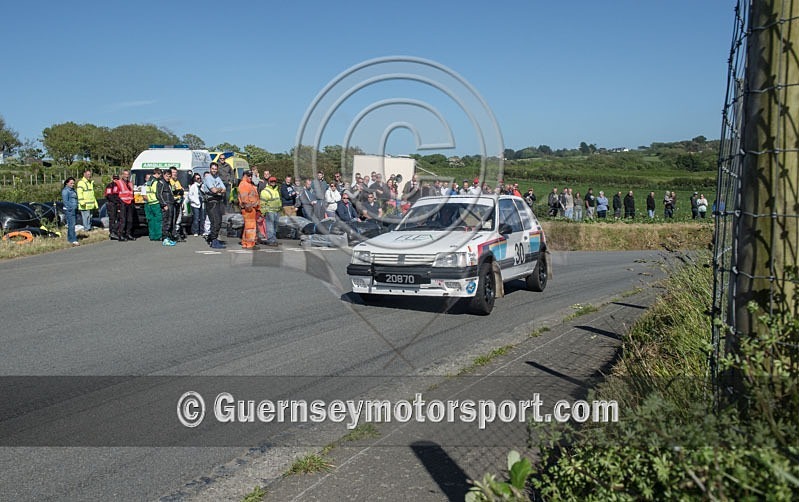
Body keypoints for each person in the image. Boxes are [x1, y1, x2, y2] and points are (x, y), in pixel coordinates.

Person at [203, 162, 227, 249]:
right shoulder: (208, 177)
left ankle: (213, 237)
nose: (214, 170)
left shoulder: (217, 177)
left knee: (219, 221)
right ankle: (213, 240)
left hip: (218, 201)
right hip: (211, 201)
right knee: (215, 221)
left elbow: (224, 189)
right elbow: (213, 190)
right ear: (210, 169)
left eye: (215, 169)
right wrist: (218, 189)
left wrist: (219, 189)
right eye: (213, 168)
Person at [237, 171, 259, 249]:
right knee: (250, 227)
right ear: (244, 176)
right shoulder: (244, 184)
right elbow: (244, 198)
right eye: (249, 175)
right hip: (248, 209)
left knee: (248, 227)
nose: (250, 177)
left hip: (251, 209)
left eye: (251, 176)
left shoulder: (248, 184)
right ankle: (249, 244)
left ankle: (245, 242)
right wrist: (249, 207)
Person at [259, 176, 281, 246]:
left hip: (276, 211)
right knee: (270, 227)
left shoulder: (276, 190)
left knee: (275, 227)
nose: (273, 183)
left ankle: (273, 239)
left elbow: (278, 200)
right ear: (269, 182)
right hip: (269, 211)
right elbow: (262, 203)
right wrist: (263, 212)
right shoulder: (265, 191)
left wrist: (280, 208)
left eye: (274, 181)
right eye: (271, 181)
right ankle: (270, 240)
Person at [157, 169, 177, 246]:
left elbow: (171, 192)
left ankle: (169, 237)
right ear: (163, 175)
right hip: (166, 204)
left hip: (171, 203)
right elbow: (159, 194)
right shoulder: (161, 183)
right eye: (166, 176)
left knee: (171, 221)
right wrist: (163, 204)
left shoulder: (169, 183)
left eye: (169, 176)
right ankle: (165, 238)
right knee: (166, 221)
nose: (168, 177)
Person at [144, 168, 164, 241]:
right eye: (160, 175)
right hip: (155, 202)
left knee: (151, 220)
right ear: (158, 174)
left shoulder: (149, 181)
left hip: (149, 203)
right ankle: (158, 236)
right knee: (158, 220)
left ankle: (152, 235)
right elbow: (158, 194)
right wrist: (163, 204)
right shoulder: (156, 182)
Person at [116, 170, 136, 240]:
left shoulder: (130, 183)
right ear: (122, 175)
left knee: (130, 220)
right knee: (123, 220)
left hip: (130, 202)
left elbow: (132, 193)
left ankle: (128, 234)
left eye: (127, 175)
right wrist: (118, 203)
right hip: (122, 203)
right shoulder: (118, 183)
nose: (126, 176)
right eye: (125, 174)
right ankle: (121, 234)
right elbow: (115, 193)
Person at [169, 167, 187, 241]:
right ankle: (173, 234)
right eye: (173, 172)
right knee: (173, 219)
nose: (175, 174)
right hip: (173, 202)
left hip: (179, 202)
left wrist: (179, 191)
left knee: (178, 219)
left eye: (176, 172)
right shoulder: (170, 181)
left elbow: (181, 191)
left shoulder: (177, 181)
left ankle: (177, 232)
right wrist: (179, 191)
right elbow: (174, 192)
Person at [61, 177, 79, 246]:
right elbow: (65, 201)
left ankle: (70, 238)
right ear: (67, 183)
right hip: (69, 210)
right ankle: (73, 239)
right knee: (72, 225)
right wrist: (71, 208)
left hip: (74, 209)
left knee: (72, 224)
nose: (72, 184)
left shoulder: (72, 190)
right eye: (71, 183)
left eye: (73, 183)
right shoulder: (65, 191)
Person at [104, 175, 121, 240]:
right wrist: (115, 201)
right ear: (112, 179)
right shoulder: (110, 186)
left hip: (118, 204)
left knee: (119, 218)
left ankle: (116, 231)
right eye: (115, 179)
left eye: (117, 179)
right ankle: (112, 232)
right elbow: (108, 195)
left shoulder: (119, 185)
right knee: (112, 219)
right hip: (112, 204)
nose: (116, 180)